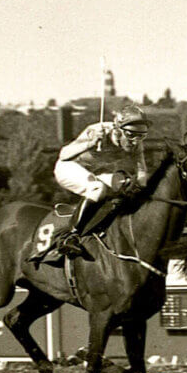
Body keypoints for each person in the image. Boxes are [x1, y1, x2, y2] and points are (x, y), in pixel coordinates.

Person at [29, 105, 150, 265]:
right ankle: (72, 234)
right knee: (97, 188)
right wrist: (90, 143)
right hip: (69, 167)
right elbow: (63, 154)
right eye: (130, 135)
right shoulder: (97, 130)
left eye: (141, 136)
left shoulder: (136, 144)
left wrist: (144, 191)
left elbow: (142, 172)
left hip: (97, 171)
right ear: (118, 129)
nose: (135, 141)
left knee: (125, 183)